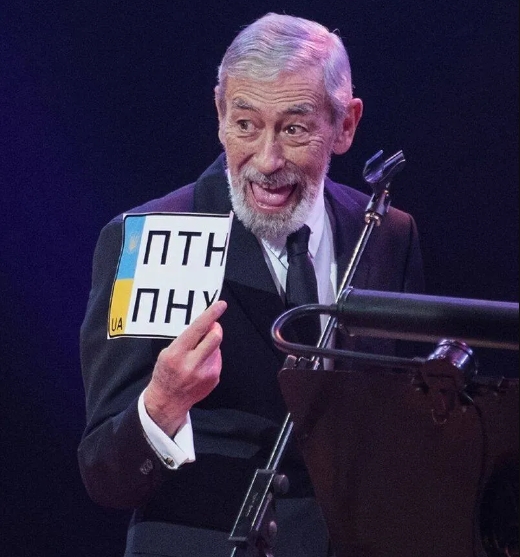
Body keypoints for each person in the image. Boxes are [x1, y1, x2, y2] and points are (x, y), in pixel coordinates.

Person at [78, 12, 424, 557]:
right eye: (245, 125)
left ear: (345, 125)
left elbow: (405, 425)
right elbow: (106, 474)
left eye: (293, 129)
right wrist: (161, 405)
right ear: (220, 114)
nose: (266, 160)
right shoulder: (150, 241)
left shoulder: (385, 233)